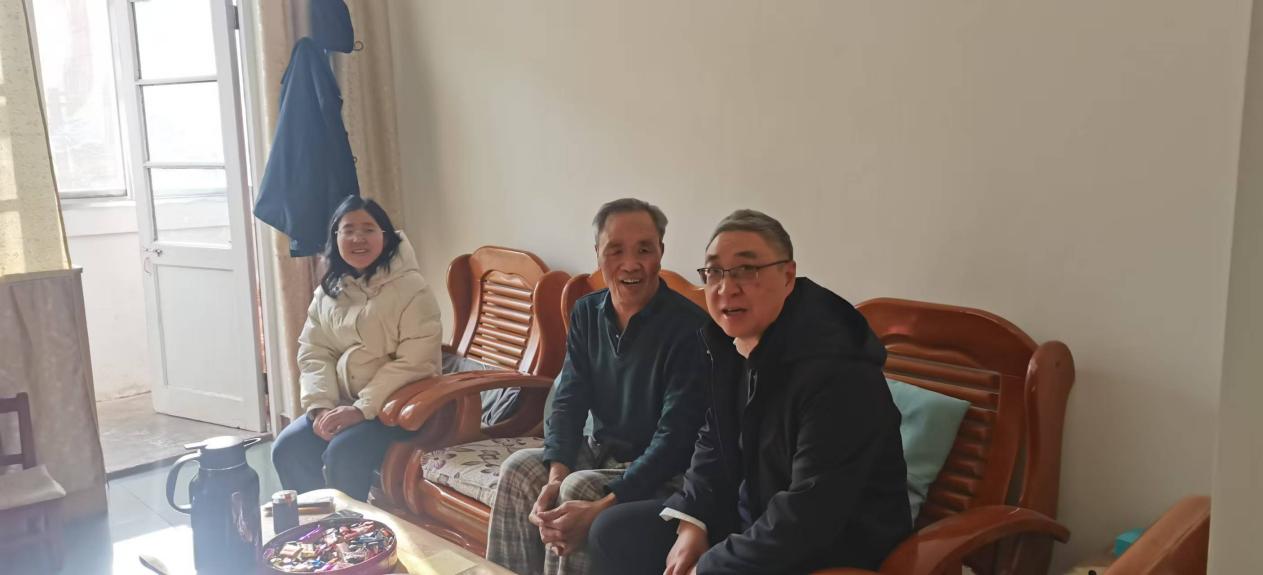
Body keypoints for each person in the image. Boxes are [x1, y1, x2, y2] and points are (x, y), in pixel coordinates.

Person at [589, 209, 912, 574]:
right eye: (714, 272)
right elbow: (712, 442)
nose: (726, 288)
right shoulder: (730, 345)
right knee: (613, 532)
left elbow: (810, 514)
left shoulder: (839, 373)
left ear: (787, 276)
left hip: (831, 547)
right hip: (755, 517)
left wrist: (708, 567)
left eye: (746, 269)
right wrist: (692, 522)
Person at [486, 198, 710, 575]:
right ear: (597, 254)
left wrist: (601, 503)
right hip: (601, 450)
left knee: (579, 491)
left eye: (644, 249)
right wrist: (555, 475)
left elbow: (675, 440)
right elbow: (569, 400)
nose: (631, 263)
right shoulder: (587, 312)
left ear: (660, 253)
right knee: (519, 471)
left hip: (662, 470)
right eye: (615, 250)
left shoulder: (690, 329)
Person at [271, 196, 442, 501]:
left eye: (368, 229)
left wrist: (362, 409)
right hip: (342, 404)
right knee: (288, 448)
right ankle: (317, 524)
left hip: (398, 408)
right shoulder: (328, 292)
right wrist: (321, 406)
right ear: (335, 237)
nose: (358, 238)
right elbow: (314, 352)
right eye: (348, 230)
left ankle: (352, 527)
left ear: (385, 237)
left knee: (344, 452)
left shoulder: (412, 290)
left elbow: (416, 363)